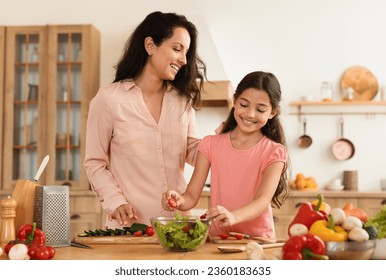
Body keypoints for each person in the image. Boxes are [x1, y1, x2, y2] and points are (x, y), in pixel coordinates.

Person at [84, 11, 207, 228]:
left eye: (186, 52)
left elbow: (193, 152)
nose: (184, 59)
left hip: (178, 225)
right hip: (131, 227)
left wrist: (225, 140)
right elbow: (95, 162)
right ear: (150, 45)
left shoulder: (182, 102)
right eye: (177, 49)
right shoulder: (108, 99)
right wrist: (115, 201)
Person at [162, 71, 290, 238]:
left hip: (257, 240)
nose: (250, 114)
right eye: (244, 105)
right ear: (235, 102)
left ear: (273, 112)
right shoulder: (210, 144)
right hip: (219, 239)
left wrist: (234, 216)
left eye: (260, 109)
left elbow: (263, 200)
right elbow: (192, 196)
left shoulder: (274, 151)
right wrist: (179, 200)